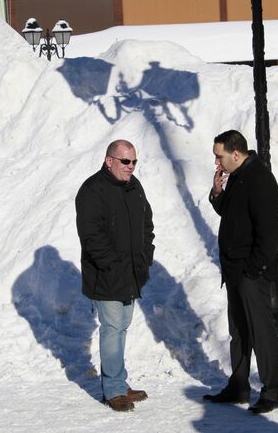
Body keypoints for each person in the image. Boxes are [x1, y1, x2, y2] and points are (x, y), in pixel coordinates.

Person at [204, 130, 278, 414]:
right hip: (234, 269)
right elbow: (232, 213)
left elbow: (270, 231)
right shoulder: (238, 175)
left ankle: (272, 391)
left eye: (219, 156)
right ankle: (239, 386)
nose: (217, 162)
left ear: (236, 153)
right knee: (239, 331)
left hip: (251, 272)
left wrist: (254, 269)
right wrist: (217, 193)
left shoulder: (260, 179)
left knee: (262, 332)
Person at [75, 139, 155, 412]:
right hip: (107, 276)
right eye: (125, 161)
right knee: (112, 329)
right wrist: (111, 265)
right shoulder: (92, 190)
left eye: (134, 162)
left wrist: (145, 257)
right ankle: (112, 390)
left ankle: (119, 383)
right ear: (109, 160)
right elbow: (91, 236)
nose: (131, 167)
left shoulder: (134, 187)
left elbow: (147, 224)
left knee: (121, 327)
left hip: (131, 274)